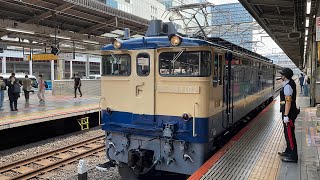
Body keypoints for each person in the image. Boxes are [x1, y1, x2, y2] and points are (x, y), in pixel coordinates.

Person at [277, 68, 299, 163]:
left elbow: (288, 102)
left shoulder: (288, 86)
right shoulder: (289, 83)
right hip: (289, 113)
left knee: (289, 134)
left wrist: (286, 115)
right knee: (287, 133)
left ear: (285, 76)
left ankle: (293, 156)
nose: (281, 76)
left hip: (289, 114)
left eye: (282, 75)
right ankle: (288, 151)